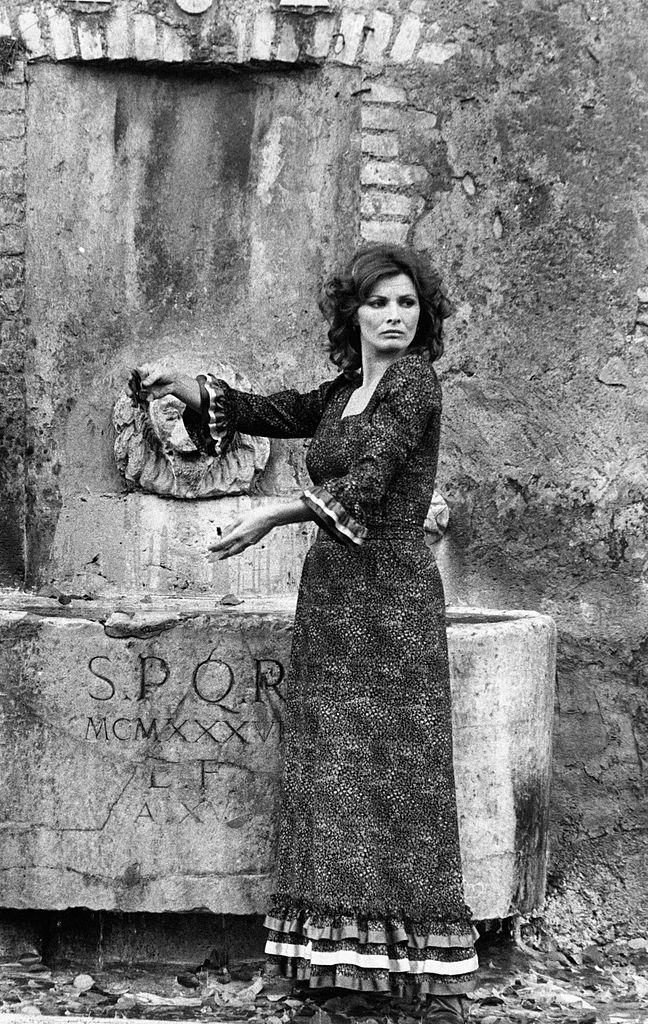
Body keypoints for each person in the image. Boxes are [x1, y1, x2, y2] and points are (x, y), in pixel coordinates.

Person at [128, 243, 478, 1022]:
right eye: (379, 303)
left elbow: (369, 482)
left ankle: (404, 966)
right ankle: (333, 962)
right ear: (351, 313)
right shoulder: (349, 387)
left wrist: (272, 515)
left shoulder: (416, 385)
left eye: (407, 304)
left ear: (424, 317)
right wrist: (194, 390)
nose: (393, 317)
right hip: (333, 601)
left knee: (393, 773)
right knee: (330, 769)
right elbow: (275, 411)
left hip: (390, 601)